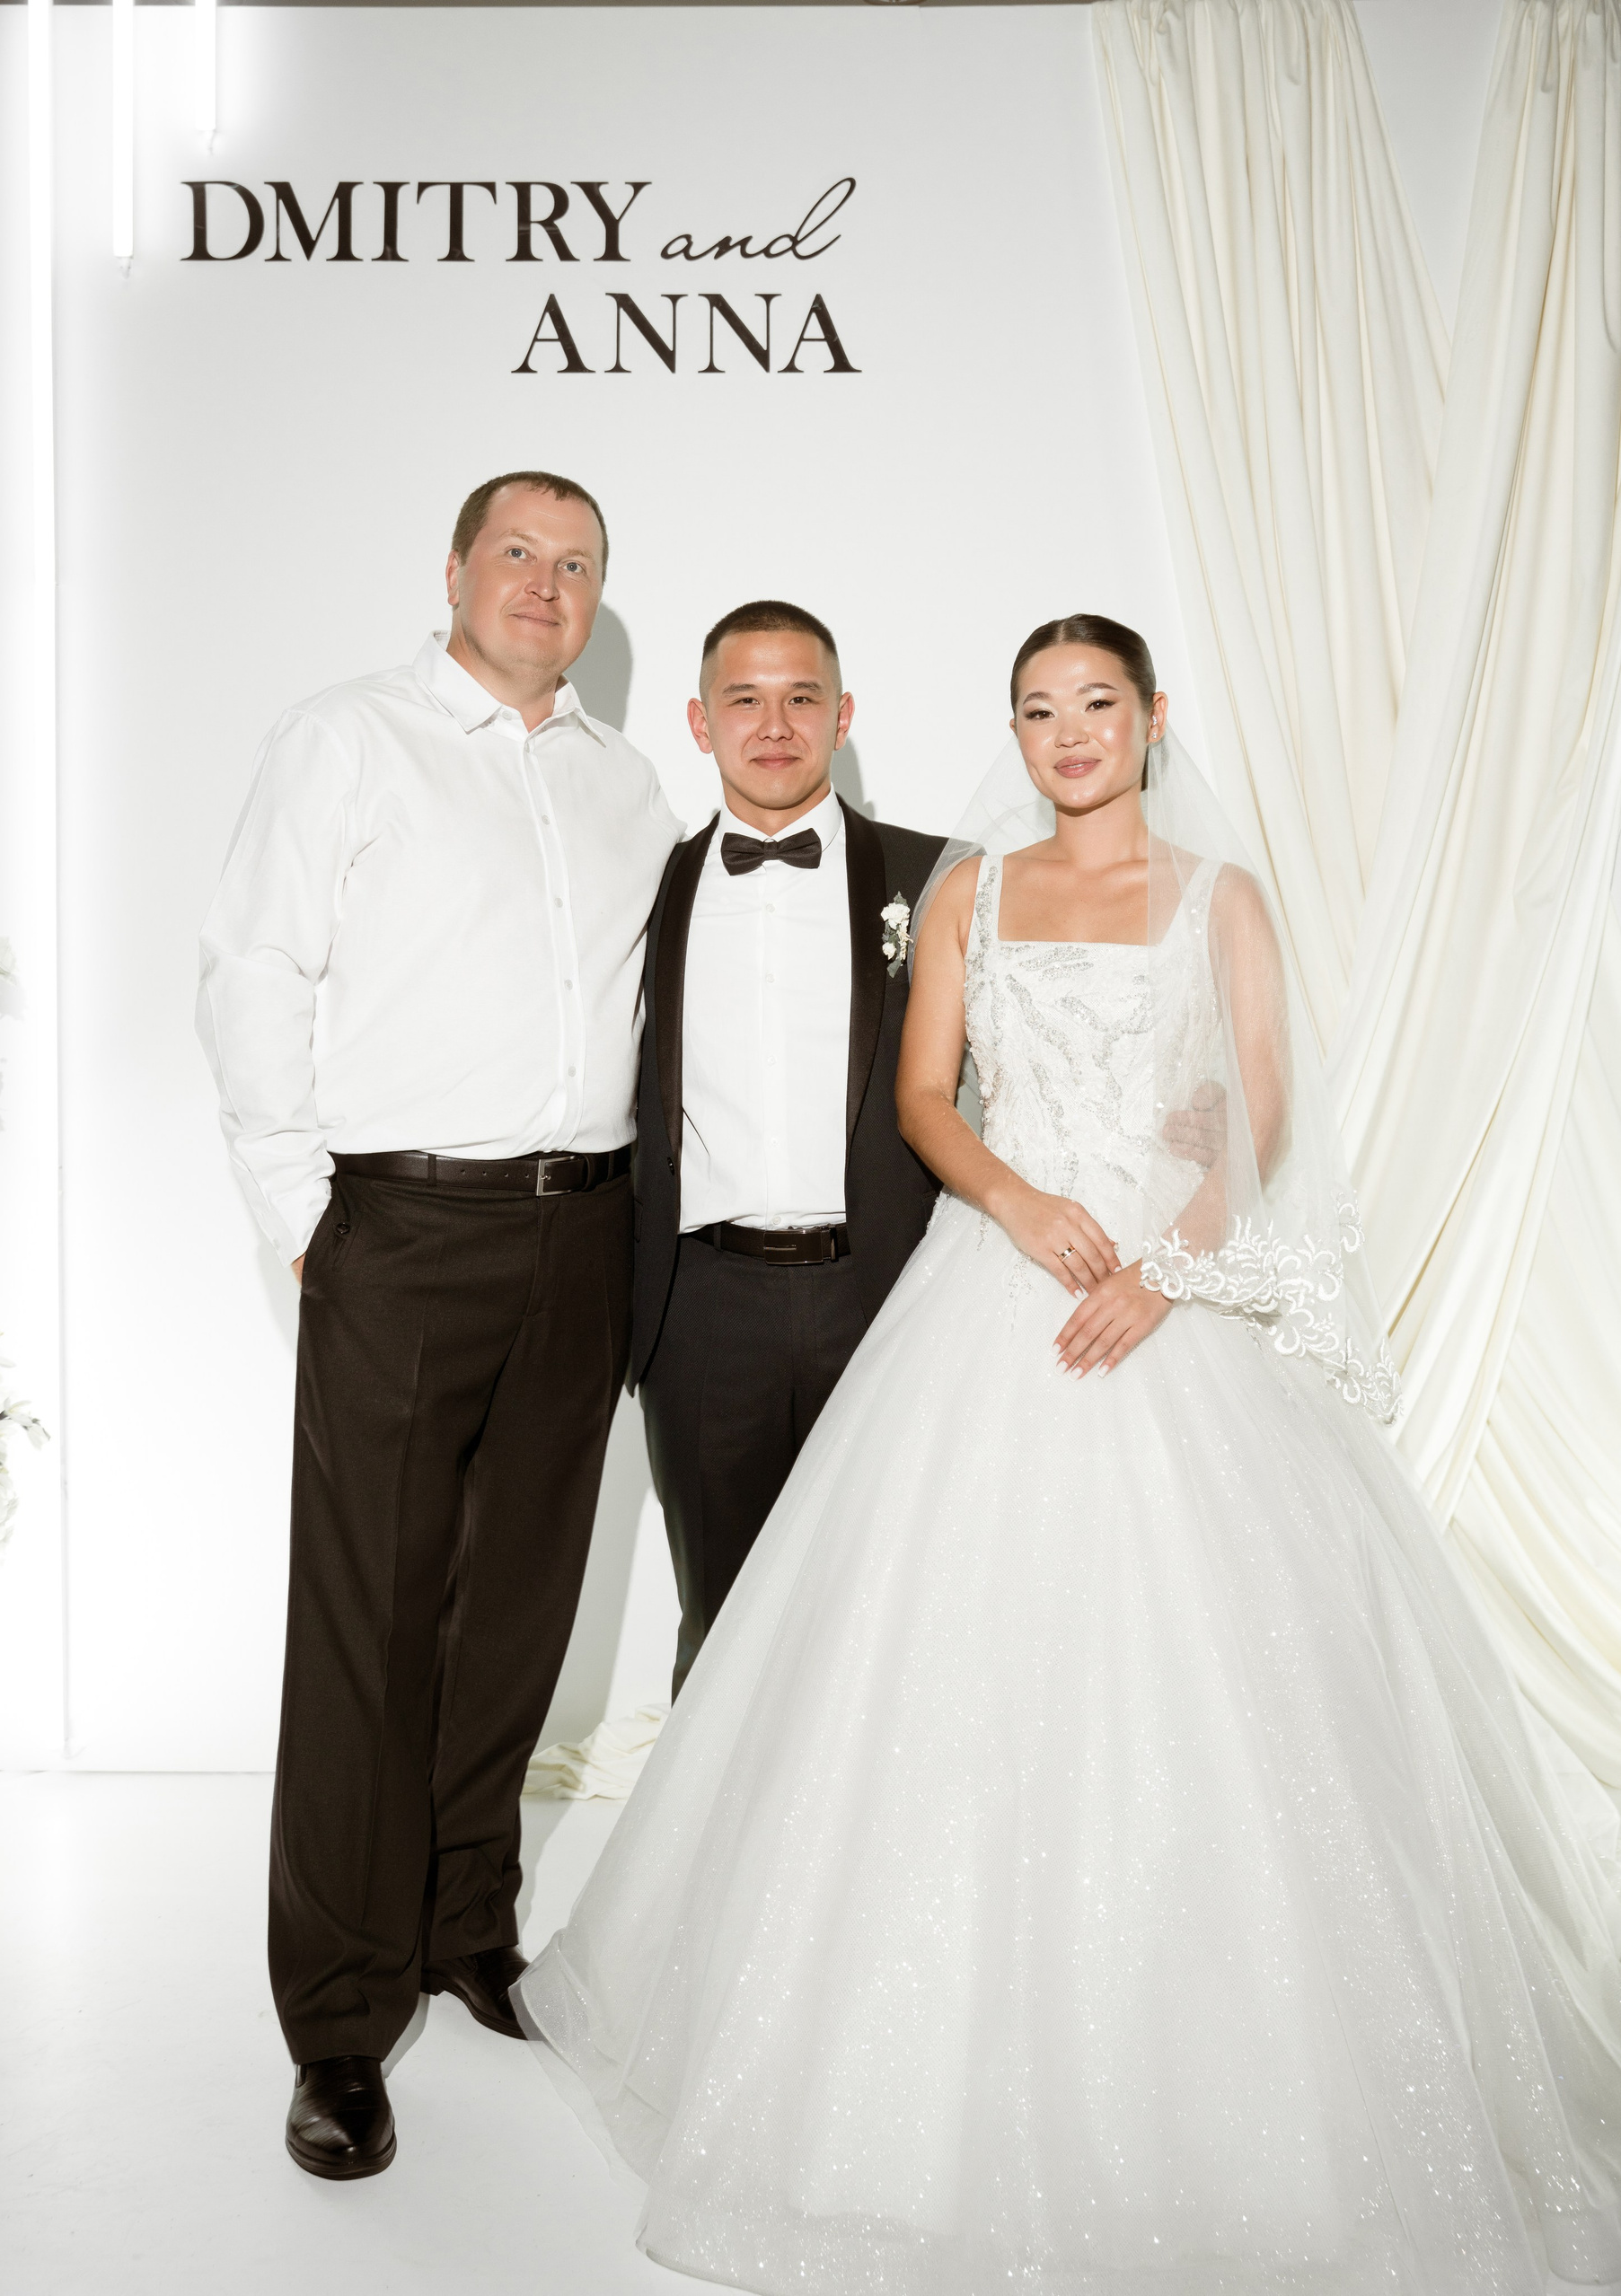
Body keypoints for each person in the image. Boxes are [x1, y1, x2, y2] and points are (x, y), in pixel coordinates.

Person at [517, 614, 1621, 2292]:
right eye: (1038, 711)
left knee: (1214, 1669)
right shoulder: (969, 889)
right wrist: (1024, 1206)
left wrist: (1165, 1275)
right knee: (927, 1655)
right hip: (998, 1279)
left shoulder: (1220, 897)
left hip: (1162, 1295)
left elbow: (1256, 1107)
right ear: (1016, 736)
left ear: (1153, 717)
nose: (1069, 732)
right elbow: (924, 1098)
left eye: (1097, 703)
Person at [197, 471, 681, 2180]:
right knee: (371, 1624)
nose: (547, 584)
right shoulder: (348, 737)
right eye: (518, 554)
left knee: (518, 1607)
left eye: (578, 563)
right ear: (457, 569)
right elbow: (254, 968)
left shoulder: (627, 784)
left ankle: (467, 1924)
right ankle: (338, 2021)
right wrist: (303, 1216)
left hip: (586, 1229)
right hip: (401, 1227)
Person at [631, 600, 945, 1695]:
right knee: (723, 1625)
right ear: (699, 722)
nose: (774, 725)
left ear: (843, 716)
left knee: (898, 1614)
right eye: (744, 700)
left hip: (891, 1297)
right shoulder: (643, 886)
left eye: (802, 697)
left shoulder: (937, 879)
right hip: (702, 1311)